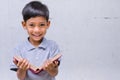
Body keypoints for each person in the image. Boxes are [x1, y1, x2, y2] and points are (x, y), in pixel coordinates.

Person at [10, 1, 61, 80]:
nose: (37, 30)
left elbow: (55, 73)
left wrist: (50, 68)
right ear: (24, 25)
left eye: (42, 25)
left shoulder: (53, 46)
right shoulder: (19, 49)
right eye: (31, 25)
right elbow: (20, 77)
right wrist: (22, 69)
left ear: (48, 24)